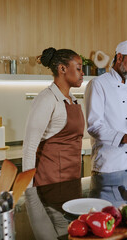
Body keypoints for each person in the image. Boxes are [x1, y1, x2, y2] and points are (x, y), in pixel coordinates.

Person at [85, 40, 127, 173]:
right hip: (109, 165)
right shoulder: (98, 84)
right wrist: (125, 138)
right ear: (120, 57)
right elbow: (94, 127)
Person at [23, 47, 85, 187]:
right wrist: (29, 191)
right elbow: (29, 148)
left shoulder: (73, 100)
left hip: (72, 181)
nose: (83, 74)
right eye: (79, 69)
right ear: (62, 69)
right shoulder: (46, 99)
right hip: (49, 184)